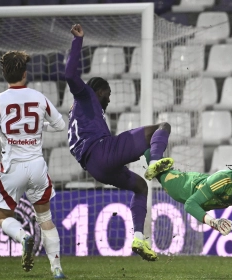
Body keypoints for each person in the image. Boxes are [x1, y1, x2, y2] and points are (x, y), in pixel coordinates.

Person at [65, 24, 173, 262]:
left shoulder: (77, 114)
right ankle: (154, 162)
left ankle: (138, 238)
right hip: (103, 151)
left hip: (96, 168)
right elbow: (70, 75)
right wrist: (78, 41)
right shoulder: (85, 95)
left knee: (140, 187)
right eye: (108, 93)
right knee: (161, 128)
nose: (110, 99)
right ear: (99, 90)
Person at [0, 51, 67, 279]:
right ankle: (57, 269)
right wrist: (40, 127)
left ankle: (23, 237)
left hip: (12, 168)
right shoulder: (39, 97)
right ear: (25, 73)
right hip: (37, 167)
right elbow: (60, 126)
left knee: (2, 217)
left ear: (4, 74)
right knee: (45, 219)